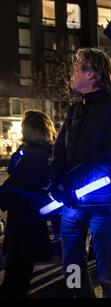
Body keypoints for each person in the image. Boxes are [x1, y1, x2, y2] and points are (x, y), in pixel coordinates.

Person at [49, 48, 111, 297]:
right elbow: (59, 149)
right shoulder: (76, 109)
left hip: (104, 203)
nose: (72, 72)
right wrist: (56, 181)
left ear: (93, 74)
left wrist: (69, 181)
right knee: (73, 266)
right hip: (71, 202)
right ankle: (80, 295)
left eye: (77, 66)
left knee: (106, 266)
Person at [0, 111, 56, 297]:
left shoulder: (34, 155)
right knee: (19, 275)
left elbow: (17, 182)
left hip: (23, 222)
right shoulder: (42, 152)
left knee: (16, 277)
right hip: (30, 220)